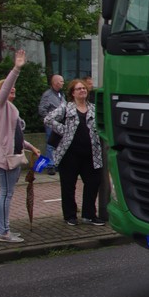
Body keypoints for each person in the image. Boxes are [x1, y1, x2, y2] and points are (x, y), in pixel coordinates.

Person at [0, 50, 42, 243]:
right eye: (8, 88)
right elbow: (5, 89)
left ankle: (1, 229)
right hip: (5, 158)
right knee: (6, 194)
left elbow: (16, 136)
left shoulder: (11, 109)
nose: (12, 89)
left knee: (7, 193)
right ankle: (3, 231)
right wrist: (17, 69)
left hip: (12, 155)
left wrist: (31, 148)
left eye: (13, 87)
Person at [45, 78, 104, 226]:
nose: (82, 91)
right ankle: (70, 216)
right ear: (73, 93)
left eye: (84, 88)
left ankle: (89, 215)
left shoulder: (93, 108)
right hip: (70, 154)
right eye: (78, 89)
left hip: (91, 153)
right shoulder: (66, 107)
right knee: (68, 185)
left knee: (93, 182)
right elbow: (48, 119)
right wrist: (63, 129)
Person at [38, 74, 65, 170]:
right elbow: (42, 109)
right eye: (61, 81)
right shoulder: (47, 95)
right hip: (51, 123)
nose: (63, 83)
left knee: (59, 144)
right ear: (55, 83)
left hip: (60, 123)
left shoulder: (61, 94)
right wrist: (50, 119)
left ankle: (56, 163)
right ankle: (50, 165)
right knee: (51, 144)